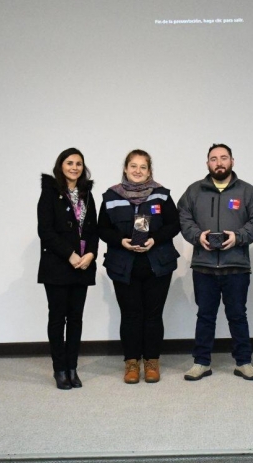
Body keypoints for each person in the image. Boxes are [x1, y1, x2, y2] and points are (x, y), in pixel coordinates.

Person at [177, 143, 253, 381]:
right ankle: (201, 362)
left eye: (224, 158)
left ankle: (244, 362)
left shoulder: (249, 192)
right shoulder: (194, 191)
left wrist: (238, 237)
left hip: (236, 265)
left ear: (233, 161)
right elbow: (183, 218)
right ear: (207, 164)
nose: (219, 162)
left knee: (237, 315)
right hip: (204, 266)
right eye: (214, 159)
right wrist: (197, 236)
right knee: (205, 315)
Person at [97, 150, 180, 384]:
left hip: (158, 264)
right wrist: (120, 241)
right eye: (133, 166)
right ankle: (131, 363)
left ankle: (152, 361)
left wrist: (156, 239)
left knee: (153, 315)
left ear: (149, 171)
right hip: (124, 265)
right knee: (131, 315)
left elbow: (174, 225)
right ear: (125, 169)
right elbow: (102, 229)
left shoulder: (162, 195)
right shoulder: (111, 196)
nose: (137, 171)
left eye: (143, 167)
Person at [37, 148, 98, 390]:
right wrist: (70, 255)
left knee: (75, 319)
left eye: (79, 163)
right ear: (61, 165)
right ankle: (59, 369)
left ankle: (73, 367)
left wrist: (91, 254)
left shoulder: (87, 194)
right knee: (57, 318)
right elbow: (46, 231)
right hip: (58, 265)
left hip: (83, 265)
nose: (74, 167)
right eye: (69, 163)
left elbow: (93, 228)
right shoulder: (50, 192)